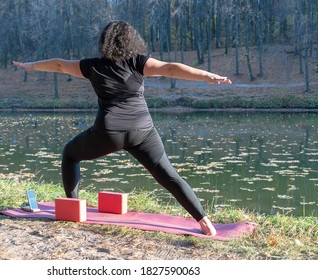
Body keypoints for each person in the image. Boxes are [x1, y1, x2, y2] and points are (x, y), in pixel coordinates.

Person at [13, 21, 232, 236]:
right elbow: (171, 69)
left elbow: (60, 65)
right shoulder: (138, 63)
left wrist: (31, 66)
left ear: (104, 42)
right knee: (170, 177)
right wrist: (207, 76)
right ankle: (205, 222)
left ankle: (73, 207)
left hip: (109, 134)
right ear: (131, 41)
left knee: (70, 154)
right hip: (143, 131)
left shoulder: (92, 66)